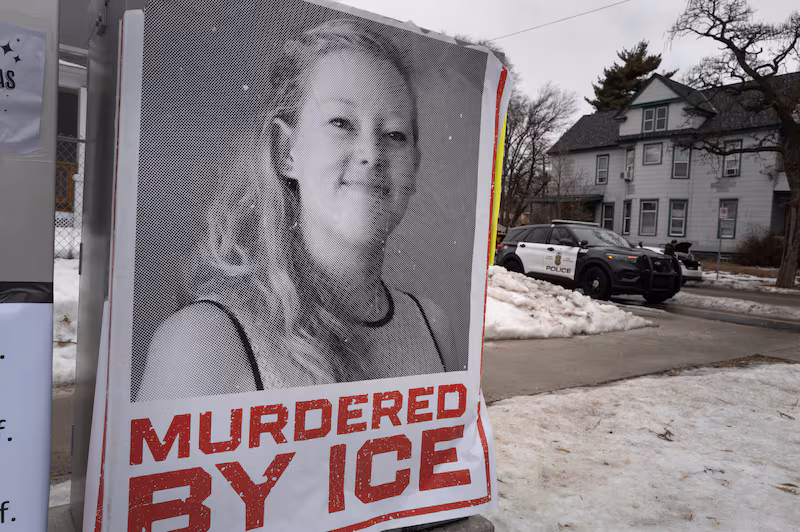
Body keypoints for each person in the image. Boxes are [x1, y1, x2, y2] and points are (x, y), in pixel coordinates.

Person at [137, 19, 455, 401]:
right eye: (341, 122)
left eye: (395, 134)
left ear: (415, 166)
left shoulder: (431, 327)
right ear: (286, 151)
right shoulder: (205, 343)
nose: (372, 154)